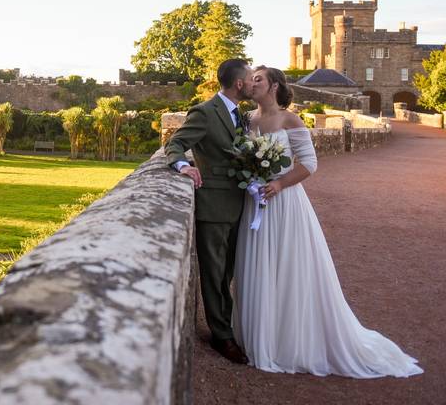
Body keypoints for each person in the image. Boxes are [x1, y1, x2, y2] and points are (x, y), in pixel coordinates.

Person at [233, 65, 422, 377]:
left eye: (258, 79)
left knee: (288, 267)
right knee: (257, 265)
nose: (252, 83)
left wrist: (279, 184)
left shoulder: (289, 120)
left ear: (275, 86)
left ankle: (287, 341)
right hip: (255, 202)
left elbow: (309, 163)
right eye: (252, 78)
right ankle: (257, 336)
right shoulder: (248, 119)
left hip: (284, 204)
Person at [164, 58, 253, 364]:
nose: (254, 83)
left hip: (241, 204)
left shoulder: (240, 114)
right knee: (214, 274)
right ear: (239, 84)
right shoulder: (204, 112)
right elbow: (175, 144)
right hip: (213, 206)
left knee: (228, 272)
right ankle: (222, 336)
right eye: (251, 79)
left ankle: (227, 325)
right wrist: (183, 165)